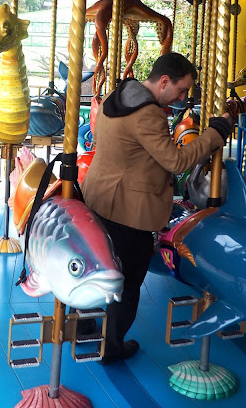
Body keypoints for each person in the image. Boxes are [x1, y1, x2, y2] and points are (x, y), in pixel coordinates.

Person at [80, 52, 232, 364]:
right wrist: (215, 134)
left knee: (94, 263)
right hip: (127, 209)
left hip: (98, 196)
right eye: (181, 89)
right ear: (163, 81)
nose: (183, 97)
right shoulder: (148, 115)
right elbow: (176, 162)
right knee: (128, 278)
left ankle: (83, 325)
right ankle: (112, 346)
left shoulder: (117, 95)